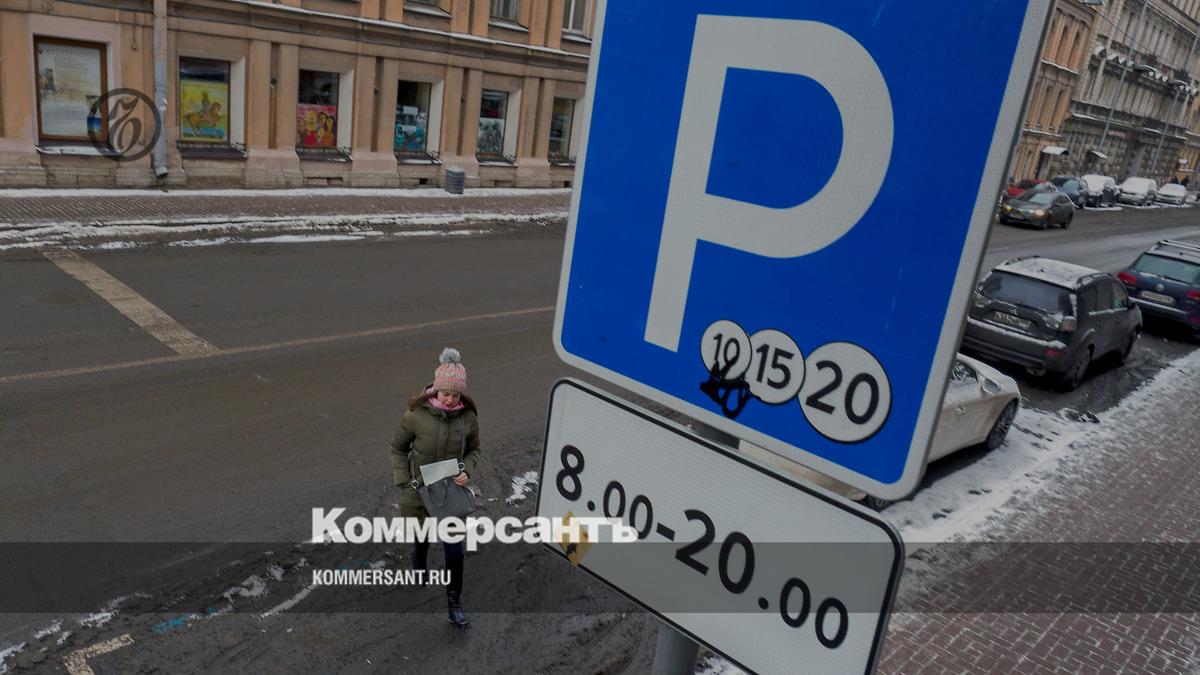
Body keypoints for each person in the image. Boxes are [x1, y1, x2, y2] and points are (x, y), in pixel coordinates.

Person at [390, 347, 481, 629]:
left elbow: (475, 451)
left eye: (456, 395)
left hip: (450, 493)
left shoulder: (468, 418)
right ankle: (419, 568)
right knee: (422, 538)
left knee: (455, 550)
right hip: (420, 493)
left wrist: (466, 470)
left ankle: (454, 604)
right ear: (435, 390)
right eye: (445, 394)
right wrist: (405, 483)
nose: (451, 399)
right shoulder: (415, 415)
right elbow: (397, 449)